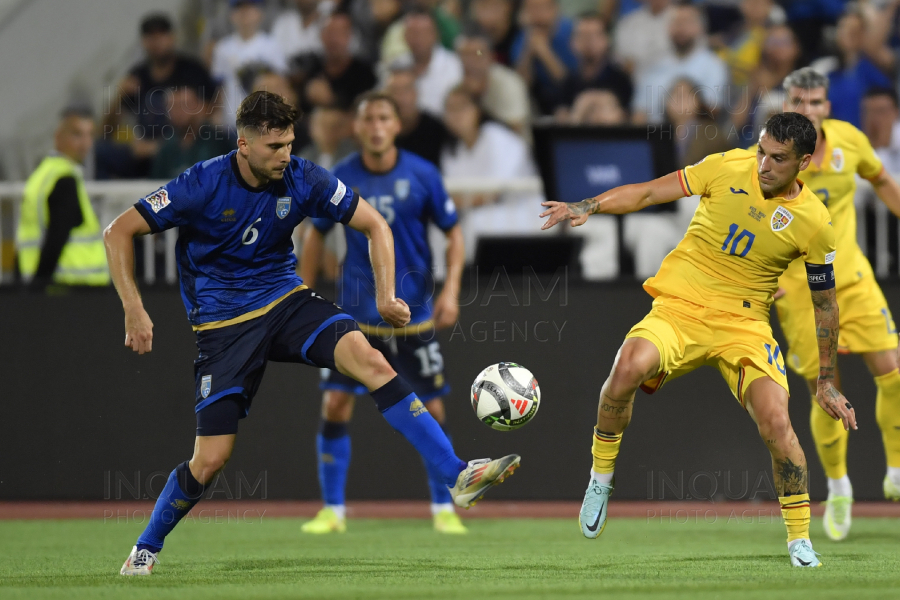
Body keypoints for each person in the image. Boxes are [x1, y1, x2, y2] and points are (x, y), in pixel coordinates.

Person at [108, 91, 520, 576]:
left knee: (371, 360)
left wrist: (387, 295)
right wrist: (134, 308)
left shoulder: (305, 176)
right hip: (223, 327)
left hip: (285, 301)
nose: (284, 155)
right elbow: (118, 231)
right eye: (273, 146)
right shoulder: (201, 183)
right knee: (211, 459)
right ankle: (145, 548)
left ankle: (457, 475)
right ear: (243, 144)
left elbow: (375, 225)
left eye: (289, 143)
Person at [540, 111, 856, 567]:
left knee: (777, 424)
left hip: (744, 324)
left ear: (804, 162)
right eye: (762, 151)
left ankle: (799, 539)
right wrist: (586, 205)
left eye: (778, 158)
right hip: (680, 306)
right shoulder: (727, 166)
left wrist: (826, 380)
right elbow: (649, 190)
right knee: (626, 369)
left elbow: (826, 304)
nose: (764, 165)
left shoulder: (814, 222)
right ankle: (600, 476)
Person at [298, 92, 468, 534]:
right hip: (354, 314)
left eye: (384, 118)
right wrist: (302, 286)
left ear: (397, 126)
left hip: (414, 313)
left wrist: (451, 291)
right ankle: (333, 511)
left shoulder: (423, 174)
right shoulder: (341, 176)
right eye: (368, 118)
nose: (376, 126)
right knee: (335, 404)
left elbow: (455, 234)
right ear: (356, 127)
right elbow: (314, 233)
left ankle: (442, 509)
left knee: (431, 408)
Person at [769, 68, 900, 540]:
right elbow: (741, 217)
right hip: (800, 290)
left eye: (817, 102)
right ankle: (840, 486)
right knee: (825, 388)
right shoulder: (768, 157)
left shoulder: (850, 142)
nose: (809, 110)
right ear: (786, 102)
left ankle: (896, 468)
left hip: (851, 277)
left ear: (828, 106)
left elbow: (881, 179)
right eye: (799, 101)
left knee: (894, 370)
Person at [99, 13, 218, 179]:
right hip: (145, 152)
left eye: (161, 36)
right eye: (151, 37)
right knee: (100, 151)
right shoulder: (137, 76)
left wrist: (163, 146)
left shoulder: (192, 71)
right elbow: (106, 130)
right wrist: (119, 96)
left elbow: (209, 114)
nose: (157, 43)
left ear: (172, 38)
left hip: (185, 148)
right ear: (143, 42)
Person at [441, 86, 543, 261]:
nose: (456, 114)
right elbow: (446, 198)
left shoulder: (499, 138)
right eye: (450, 109)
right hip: (475, 215)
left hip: (521, 212)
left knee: (476, 224)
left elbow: (495, 193)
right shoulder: (451, 152)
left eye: (462, 107)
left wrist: (463, 201)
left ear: (477, 110)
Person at [17, 108, 109, 288]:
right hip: (72, 288)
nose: (85, 144)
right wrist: (38, 287)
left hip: (49, 286)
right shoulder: (65, 179)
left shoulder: (42, 175)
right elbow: (56, 238)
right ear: (58, 136)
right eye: (77, 134)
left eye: (89, 135)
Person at [632, 3, 729, 124]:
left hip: (696, 137)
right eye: (676, 22)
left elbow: (714, 112)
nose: (681, 28)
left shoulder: (714, 66)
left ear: (700, 27)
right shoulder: (651, 65)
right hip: (652, 136)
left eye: (688, 22)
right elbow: (639, 113)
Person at [810, 6, 893, 128]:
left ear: (864, 34)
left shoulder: (874, 73)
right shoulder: (828, 71)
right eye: (844, 28)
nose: (849, 34)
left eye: (855, 30)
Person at [210, 0, 287, 127]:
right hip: (231, 120)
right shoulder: (223, 48)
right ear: (231, 14)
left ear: (260, 12)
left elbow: (281, 86)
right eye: (239, 8)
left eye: (250, 8)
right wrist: (217, 112)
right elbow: (220, 87)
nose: (244, 13)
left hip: (264, 120)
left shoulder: (272, 46)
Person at [290, 12, 378, 113]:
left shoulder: (364, 74)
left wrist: (332, 101)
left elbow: (363, 112)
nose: (334, 39)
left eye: (340, 33)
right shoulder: (310, 68)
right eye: (330, 32)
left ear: (350, 36)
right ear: (321, 36)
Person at [456, 27, 531, 136]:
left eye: (478, 53)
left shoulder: (509, 83)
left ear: (491, 57)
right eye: (465, 54)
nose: (470, 61)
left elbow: (516, 129)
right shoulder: (457, 84)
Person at [555, 13, 632, 119]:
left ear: (607, 40)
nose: (589, 41)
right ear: (572, 42)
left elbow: (627, 118)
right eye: (583, 35)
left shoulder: (620, 80)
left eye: (595, 35)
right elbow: (561, 118)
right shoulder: (568, 82)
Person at [389, 8, 463, 117]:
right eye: (412, 33)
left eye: (422, 33)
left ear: (435, 35)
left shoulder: (454, 66)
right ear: (404, 36)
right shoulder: (396, 64)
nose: (417, 39)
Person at [149, 87, 234, 180]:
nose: (178, 112)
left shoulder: (217, 141)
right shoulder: (167, 146)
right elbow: (156, 183)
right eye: (172, 106)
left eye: (184, 105)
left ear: (199, 106)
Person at [511, 0, 579, 115]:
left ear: (555, 10)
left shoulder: (572, 32)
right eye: (531, 9)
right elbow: (521, 86)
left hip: (571, 101)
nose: (538, 15)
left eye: (543, 8)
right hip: (538, 104)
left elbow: (569, 84)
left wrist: (544, 52)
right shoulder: (521, 39)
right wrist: (528, 53)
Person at [385, 66, 448, 167]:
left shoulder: (436, 130)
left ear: (416, 93)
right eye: (395, 91)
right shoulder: (380, 131)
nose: (401, 97)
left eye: (406, 89)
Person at [612, 0, 673, 77]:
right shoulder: (628, 22)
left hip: (672, 77)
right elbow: (618, 56)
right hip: (634, 78)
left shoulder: (680, 19)